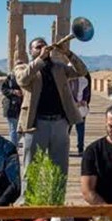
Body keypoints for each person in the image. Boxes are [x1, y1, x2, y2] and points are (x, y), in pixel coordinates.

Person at [14, 37, 88, 176]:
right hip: (35, 124)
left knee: (59, 170)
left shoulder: (59, 67)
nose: (43, 48)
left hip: (60, 123)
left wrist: (68, 53)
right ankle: (30, 198)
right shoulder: (23, 67)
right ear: (31, 51)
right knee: (31, 170)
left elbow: (82, 72)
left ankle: (57, 197)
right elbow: (23, 79)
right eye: (38, 47)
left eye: (44, 45)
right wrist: (40, 60)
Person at [69, 72, 92, 156]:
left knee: (80, 129)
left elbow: (87, 92)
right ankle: (65, 147)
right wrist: (75, 102)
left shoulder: (84, 80)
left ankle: (80, 149)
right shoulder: (66, 79)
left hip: (81, 109)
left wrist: (85, 101)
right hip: (69, 109)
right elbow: (66, 93)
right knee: (67, 130)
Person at [1, 72, 22, 147]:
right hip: (10, 106)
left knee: (21, 129)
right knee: (13, 128)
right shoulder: (9, 78)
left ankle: (14, 143)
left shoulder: (26, 77)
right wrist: (13, 92)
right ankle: (14, 147)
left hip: (22, 107)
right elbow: (3, 89)